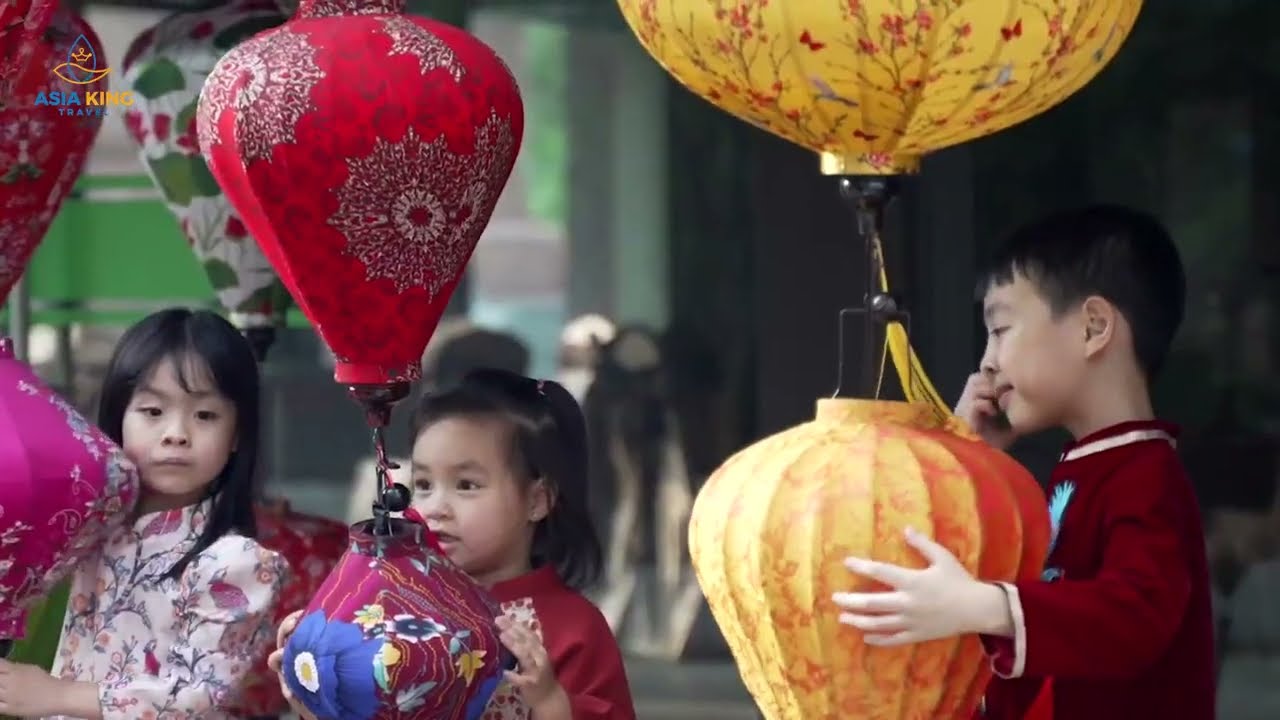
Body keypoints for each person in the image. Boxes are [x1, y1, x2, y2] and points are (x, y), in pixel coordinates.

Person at [830, 205, 1216, 719]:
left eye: (1001, 329)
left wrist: (985, 606)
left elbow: (1138, 615)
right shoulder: (1091, 466)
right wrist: (970, 456)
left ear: (1093, 328)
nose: (987, 360)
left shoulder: (1147, 477)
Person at [0, 308, 288, 719]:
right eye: (153, 412)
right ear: (118, 418)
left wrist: (57, 696)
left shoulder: (234, 562)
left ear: (238, 434)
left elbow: (198, 695)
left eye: (205, 415)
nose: (176, 433)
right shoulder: (89, 529)